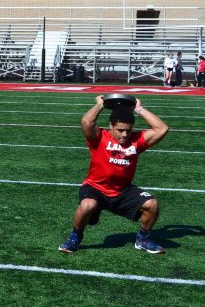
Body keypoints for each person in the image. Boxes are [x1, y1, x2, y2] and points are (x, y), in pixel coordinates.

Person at [59, 96, 169, 254]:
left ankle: (143, 239)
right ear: (111, 125)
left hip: (123, 191)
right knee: (87, 205)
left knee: (152, 204)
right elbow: (86, 122)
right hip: (95, 188)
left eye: (128, 130)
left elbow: (162, 129)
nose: (124, 134)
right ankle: (75, 237)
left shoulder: (136, 140)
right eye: (120, 130)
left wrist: (139, 109)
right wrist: (100, 105)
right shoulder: (99, 137)